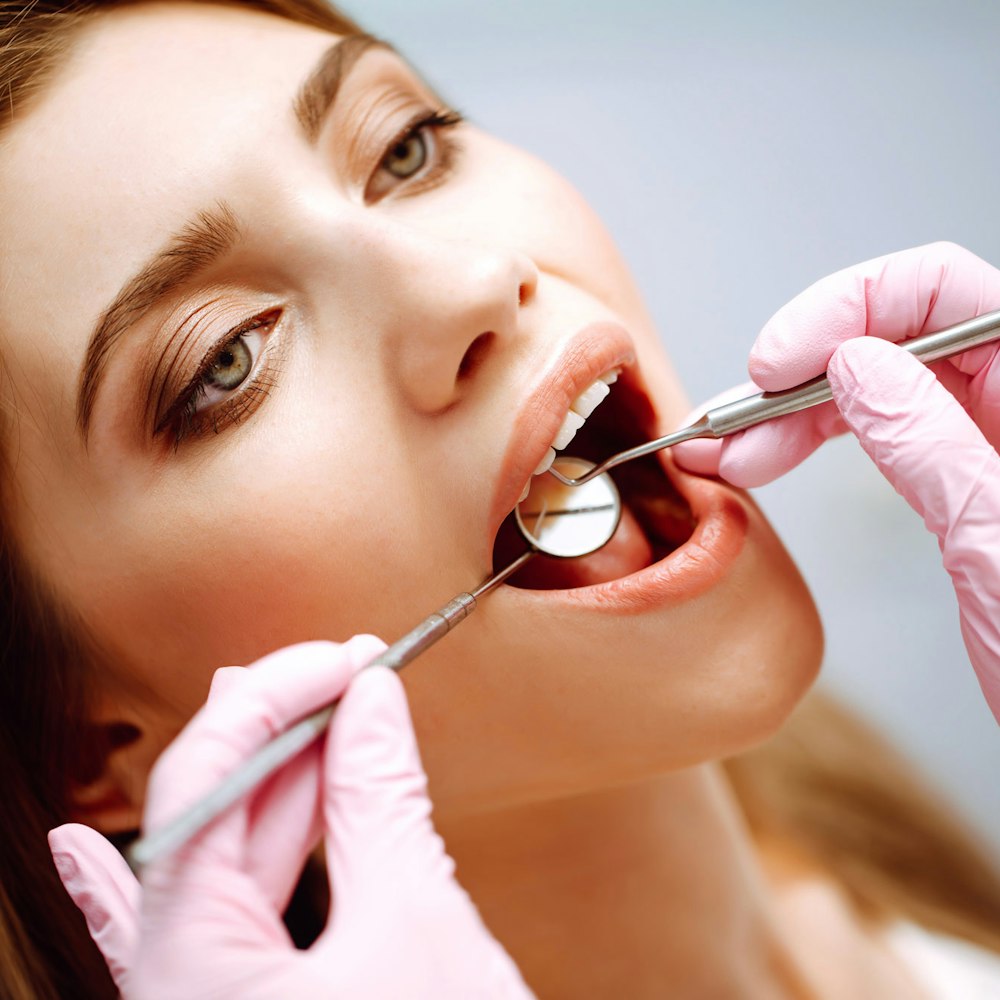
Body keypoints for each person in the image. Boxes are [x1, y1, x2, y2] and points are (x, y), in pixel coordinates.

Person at [0, 1, 997, 996]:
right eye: (224, 360)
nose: (471, 281)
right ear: (101, 747)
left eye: (404, 151)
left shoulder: (893, 852)